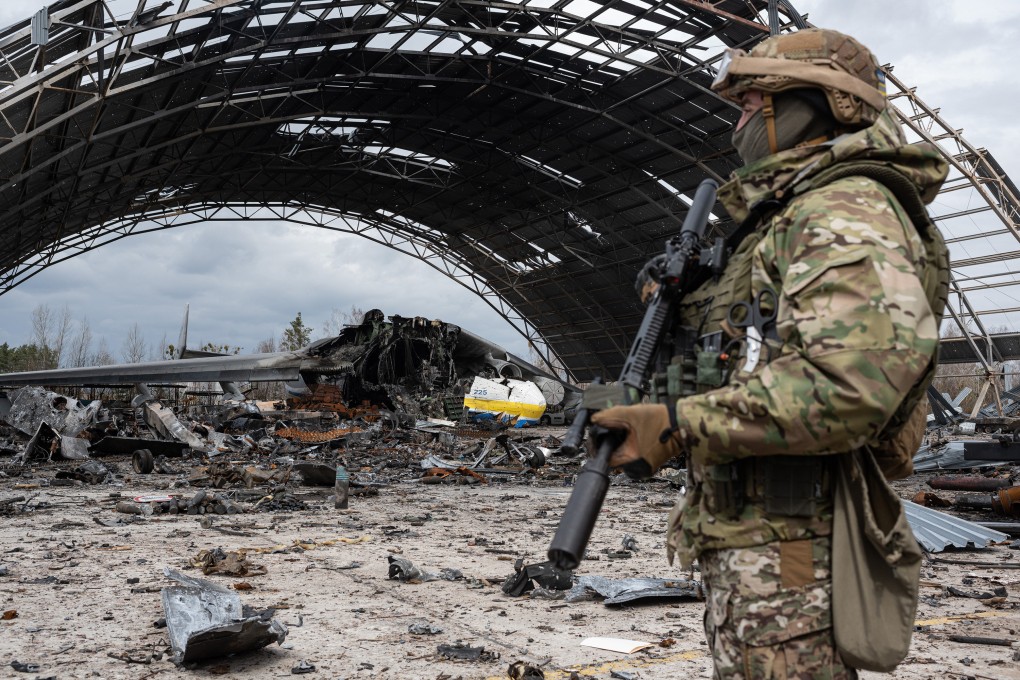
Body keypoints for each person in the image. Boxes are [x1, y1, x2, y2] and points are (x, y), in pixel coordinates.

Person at [589, 28, 949, 679]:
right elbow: (745, 363)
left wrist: (678, 424)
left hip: (794, 550)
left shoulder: (844, 209)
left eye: (755, 102)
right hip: (757, 540)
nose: (740, 122)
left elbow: (848, 387)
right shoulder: (787, 216)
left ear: (824, 104)